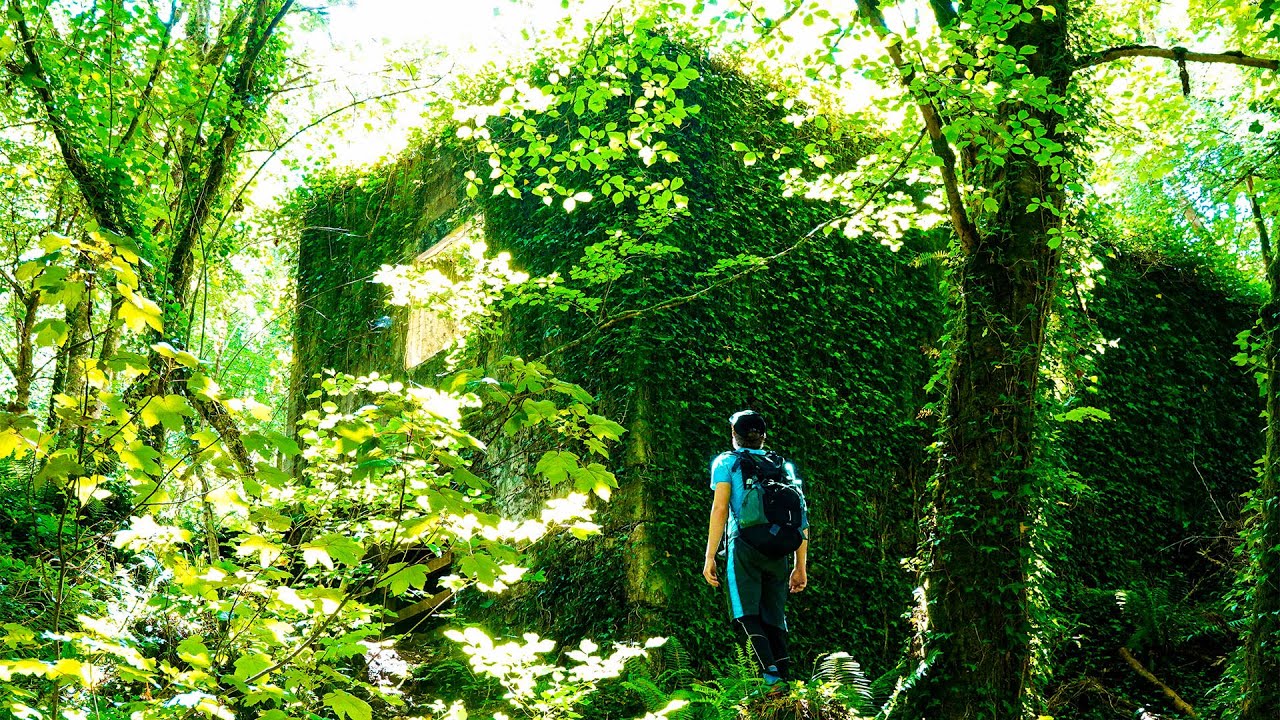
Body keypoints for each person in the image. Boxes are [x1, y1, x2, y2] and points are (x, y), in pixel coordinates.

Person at [702, 410, 808, 688]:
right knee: (775, 614)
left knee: (745, 612)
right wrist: (800, 566)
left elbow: (720, 508)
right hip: (781, 548)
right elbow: (802, 516)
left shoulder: (727, 461)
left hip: (745, 545)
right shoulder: (783, 466)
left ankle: (772, 680)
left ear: (734, 436)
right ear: (764, 437)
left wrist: (710, 555)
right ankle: (786, 681)